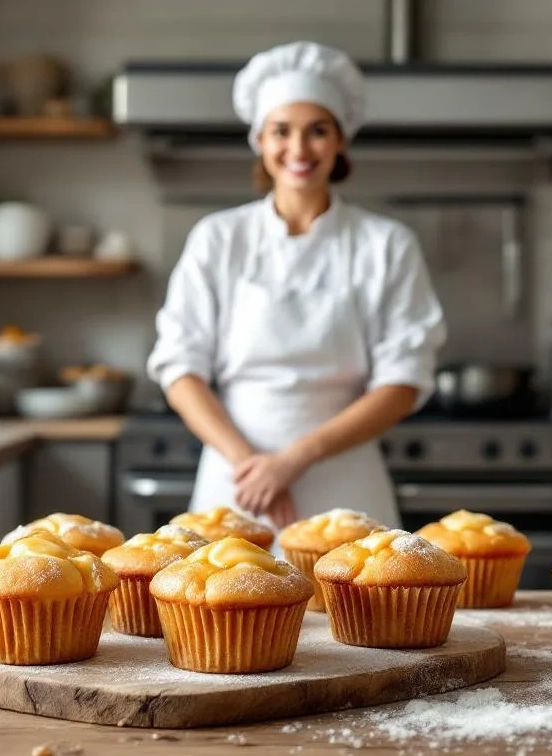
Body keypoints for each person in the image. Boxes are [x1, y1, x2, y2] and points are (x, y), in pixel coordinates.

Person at [146, 41, 447, 531]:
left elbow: (403, 381)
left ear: (341, 140)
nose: (299, 150)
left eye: (318, 131)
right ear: (260, 140)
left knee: (351, 604)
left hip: (344, 481)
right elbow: (180, 368)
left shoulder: (386, 243)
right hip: (236, 482)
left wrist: (294, 460)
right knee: (224, 598)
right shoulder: (219, 238)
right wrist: (252, 463)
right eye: (281, 131)